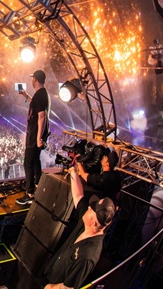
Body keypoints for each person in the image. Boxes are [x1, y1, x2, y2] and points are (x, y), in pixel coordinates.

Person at [43, 158, 116, 289]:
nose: (88, 207)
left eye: (91, 209)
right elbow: (78, 196)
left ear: (93, 222)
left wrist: (50, 287)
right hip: (49, 274)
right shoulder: (86, 223)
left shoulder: (87, 257)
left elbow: (68, 287)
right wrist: (73, 171)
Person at [16, 69, 51, 205]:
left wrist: (38, 138)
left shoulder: (40, 95)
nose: (31, 80)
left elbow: (42, 116)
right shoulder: (41, 94)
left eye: (32, 78)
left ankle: (30, 194)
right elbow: (36, 106)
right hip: (36, 134)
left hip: (35, 135)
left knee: (28, 163)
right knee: (35, 160)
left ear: (35, 79)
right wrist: (26, 95)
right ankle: (38, 185)